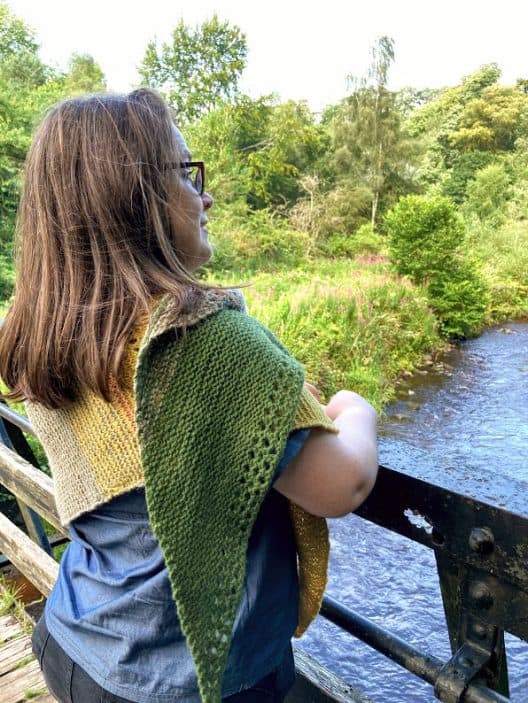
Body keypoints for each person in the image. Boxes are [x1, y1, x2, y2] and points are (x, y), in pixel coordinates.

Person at [0, 89, 378, 703]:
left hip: (72, 640)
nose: (206, 194)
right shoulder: (199, 338)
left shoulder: (37, 328)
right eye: (184, 172)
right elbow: (342, 485)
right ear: (133, 196)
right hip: (185, 677)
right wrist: (353, 407)